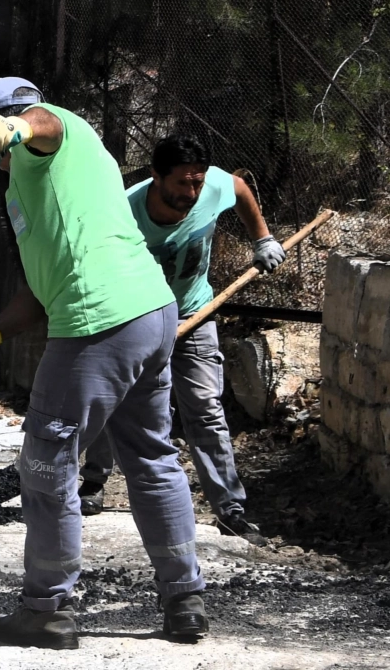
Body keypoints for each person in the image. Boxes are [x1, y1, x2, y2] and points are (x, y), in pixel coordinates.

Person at [0, 77, 208, 649]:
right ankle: (185, 598)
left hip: (100, 321)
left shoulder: (60, 135)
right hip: (147, 314)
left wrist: (18, 123)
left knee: (47, 461)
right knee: (151, 454)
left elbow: (48, 122)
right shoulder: (24, 189)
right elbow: (40, 289)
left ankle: (48, 608)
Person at [78, 134, 282, 543]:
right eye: (182, 184)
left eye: (198, 183)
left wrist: (262, 238)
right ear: (156, 175)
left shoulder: (214, 186)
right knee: (112, 401)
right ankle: (94, 483)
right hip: (133, 315)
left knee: (205, 407)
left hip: (194, 311)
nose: (192, 192)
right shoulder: (123, 210)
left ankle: (229, 507)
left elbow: (239, 188)